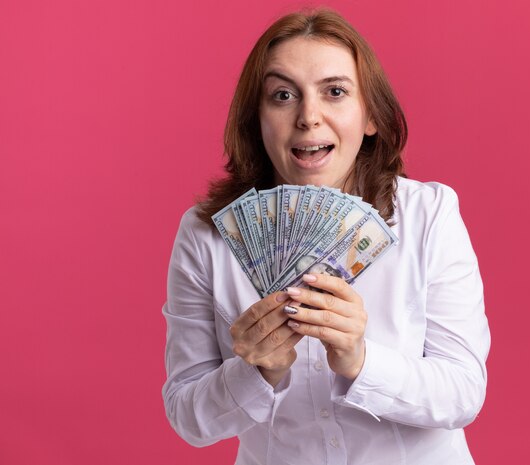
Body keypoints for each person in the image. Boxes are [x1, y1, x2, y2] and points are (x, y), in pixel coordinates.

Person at [162, 8, 490, 465]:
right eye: (282, 95)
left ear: (370, 115)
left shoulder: (429, 216)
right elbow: (187, 416)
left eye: (335, 92)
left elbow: (463, 393)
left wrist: (360, 360)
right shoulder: (207, 235)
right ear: (257, 118)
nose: (308, 117)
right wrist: (257, 371)